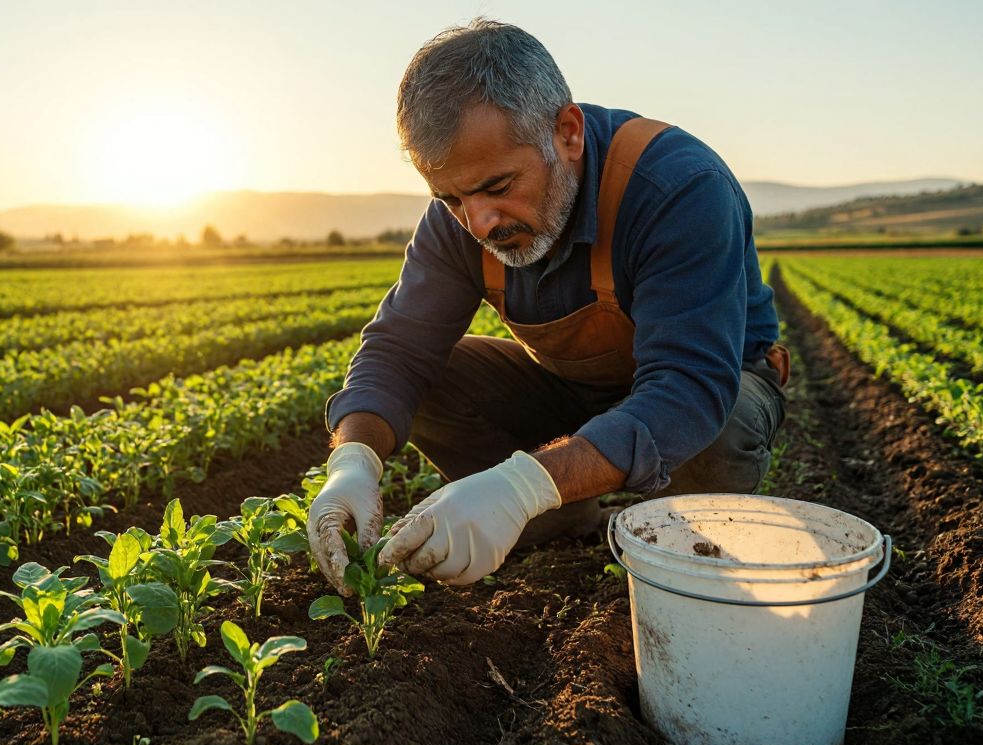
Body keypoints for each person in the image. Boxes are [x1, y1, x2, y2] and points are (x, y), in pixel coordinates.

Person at [308, 18, 788, 596]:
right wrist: (353, 462)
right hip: (574, 391)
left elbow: (688, 387)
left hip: (710, 387)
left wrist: (519, 485)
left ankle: (611, 511)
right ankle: (561, 519)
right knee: (429, 378)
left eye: (498, 185)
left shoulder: (678, 189)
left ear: (567, 133)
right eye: (451, 197)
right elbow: (398, 349)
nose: (478, 221)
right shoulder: (459, 218)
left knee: (714, 435)